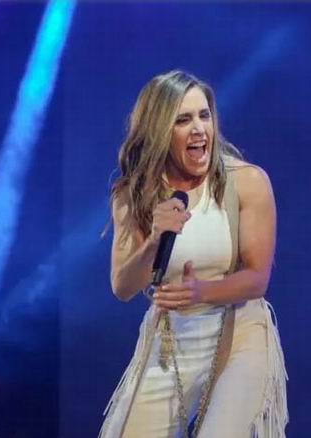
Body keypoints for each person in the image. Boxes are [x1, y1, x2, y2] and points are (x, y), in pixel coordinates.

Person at [99, 70, 288, 438]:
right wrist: (154, 240)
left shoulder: (246, 181)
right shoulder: (133, 194)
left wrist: (200, 292)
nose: (199, 129)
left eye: (204, 115)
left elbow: (257, 278)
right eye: (183, 120)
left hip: (239, 334)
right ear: (159, 130)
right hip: (171, 338)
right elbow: (123, 286)